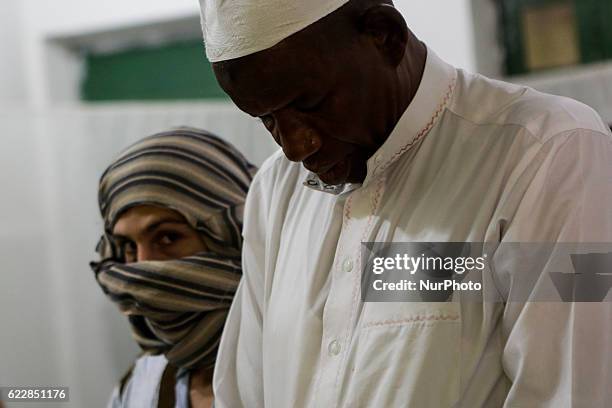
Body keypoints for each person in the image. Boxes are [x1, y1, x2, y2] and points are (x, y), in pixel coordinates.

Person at [198, 0, 612, 407]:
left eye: (310, 104)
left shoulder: (550, 151)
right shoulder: (275, 191)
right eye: (267, 119)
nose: (294, 146)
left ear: (385, 35)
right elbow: (243, 394)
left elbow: (575, 392)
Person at [90, 127, 257, 407]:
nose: (143, 266)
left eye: (168, 237)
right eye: (129, 246)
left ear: (232, 234)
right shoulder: (142, 385)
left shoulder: (303, 364)